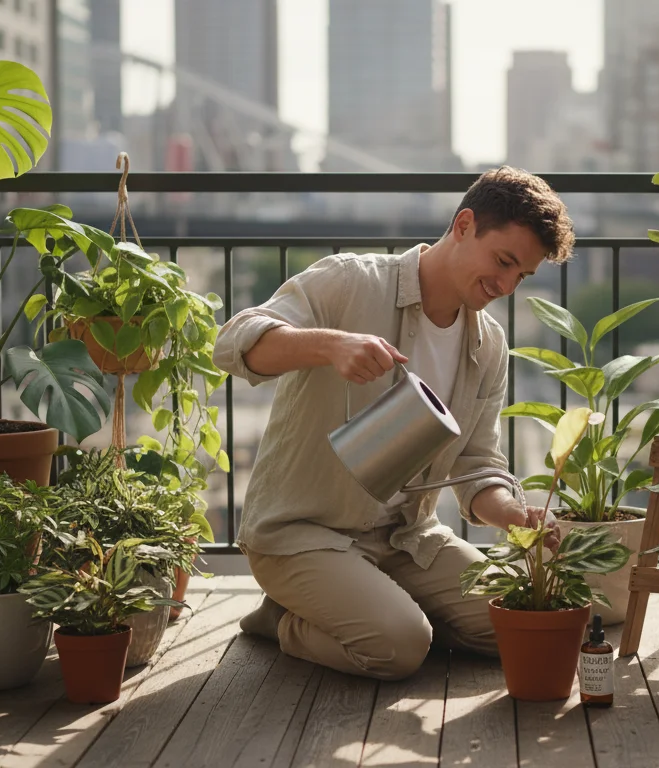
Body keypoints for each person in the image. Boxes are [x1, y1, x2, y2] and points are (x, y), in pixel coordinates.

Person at [212, 167, 576, 681]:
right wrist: (330, 344)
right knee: (401, 647)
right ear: (464, 224)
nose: (506, 285)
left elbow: (476, 466)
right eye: (503, 261)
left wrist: (516, 516)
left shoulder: (488, 344)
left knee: (528, 621)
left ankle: (380, 610)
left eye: (522, 275)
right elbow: (234, 343)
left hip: (407, 540)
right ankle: (284, 622)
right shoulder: (351, 280)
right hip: (302, 533)